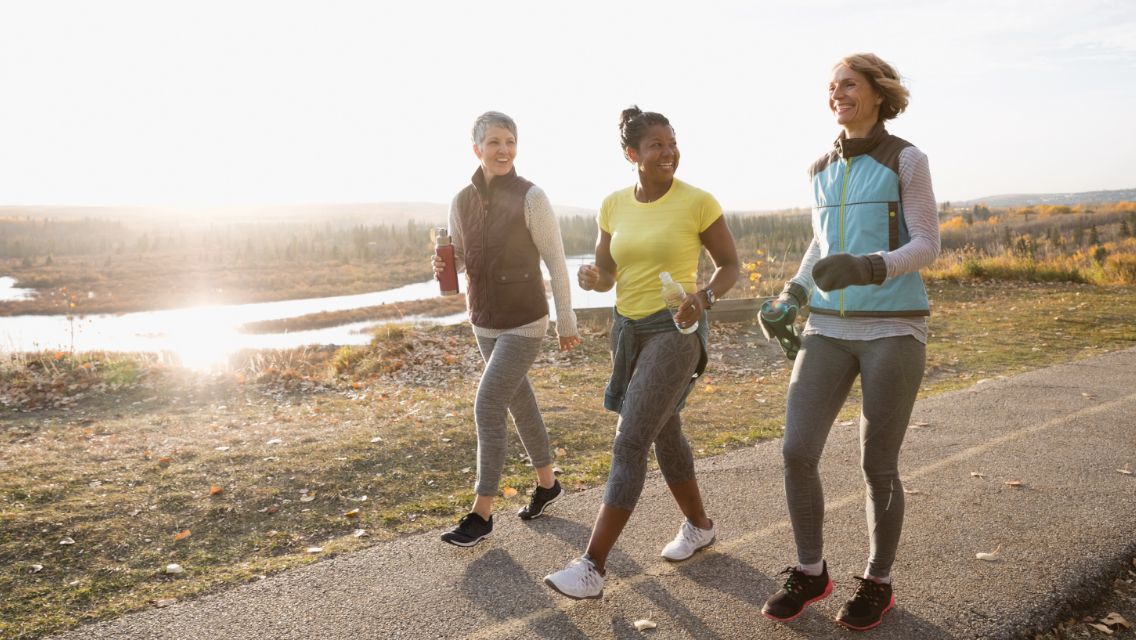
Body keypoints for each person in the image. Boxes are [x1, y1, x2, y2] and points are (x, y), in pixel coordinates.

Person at [759, 53, 941, 630]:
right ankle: (811, 570)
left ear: (879, 94)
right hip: (828, 330)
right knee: (795, 450)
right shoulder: (820, 168)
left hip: (893, 328)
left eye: (850, 85)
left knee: (876, 464)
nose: (838, 94)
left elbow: (927, 244)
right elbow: (820, 247)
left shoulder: (906, 159)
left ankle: (877, 583)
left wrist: (868, 267)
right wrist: (792, 292)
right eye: (832, 87)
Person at [543, 106, 739, 599]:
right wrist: (594, 279)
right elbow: (607, 272)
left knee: (630, 440)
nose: (668, 151)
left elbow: (729, 265)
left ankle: (592, 567)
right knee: (663, 430)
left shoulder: (698, 202)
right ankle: (699, 525)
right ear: (632, 154)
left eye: (672, 142)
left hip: (677, 330)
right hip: (627, 331)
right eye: (656, 144)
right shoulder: (612, 206)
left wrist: (705, 297)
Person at [434, 111, 581, 547]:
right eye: (494, 142)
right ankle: (548, 483)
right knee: (520, 401)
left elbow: (556, 261)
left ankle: (482, 514)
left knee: (487, 405)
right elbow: (461, 257)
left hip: (525, 320)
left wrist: (565, 323)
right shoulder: (460, 200)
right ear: (476, 147)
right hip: (483, 320)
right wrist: (445, 264)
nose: (503, 150)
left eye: (510, 142)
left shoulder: (531, 196)